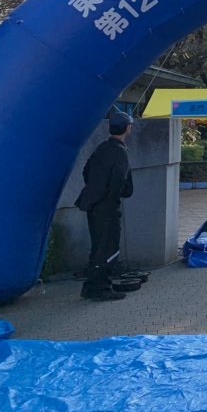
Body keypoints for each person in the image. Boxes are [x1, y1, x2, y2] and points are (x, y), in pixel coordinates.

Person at [75, 111, 135, 301]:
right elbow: (119, 180)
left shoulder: (102, 148)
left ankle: (90, 286)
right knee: (109, 247)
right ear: (128, 128)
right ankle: (101, 288)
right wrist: (113, 196)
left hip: (92, 203)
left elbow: (86, 170)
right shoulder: (120, 152)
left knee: (97, 246)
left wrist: (95, 188)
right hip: (107, 206)